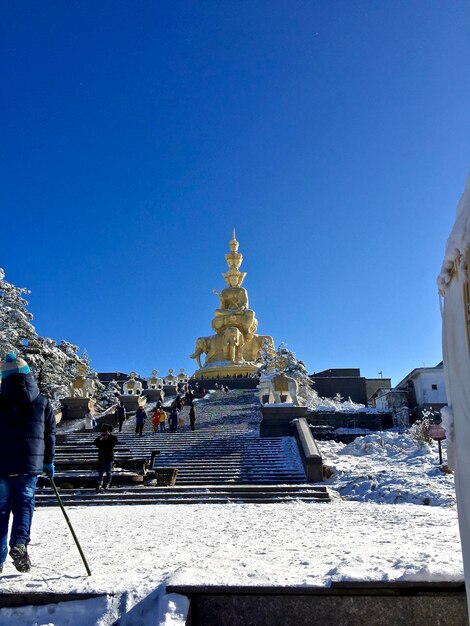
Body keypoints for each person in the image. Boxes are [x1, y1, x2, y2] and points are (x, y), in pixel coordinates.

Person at [0, 352, 56, 573]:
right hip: (29, 464)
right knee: (24, 504)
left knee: (1, 510)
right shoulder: (42, 402)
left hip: (2, 465)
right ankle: (20, 543)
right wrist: (48, 462)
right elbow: (50, 434)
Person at [93, 424, 118, 490]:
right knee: (100, 472)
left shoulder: (112, 438)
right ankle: (99, 484)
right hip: (101, 457)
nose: (104, 434)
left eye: (105, 433)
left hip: (109, 458)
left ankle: (107, 483)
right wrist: (100, 438)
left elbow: (115, 441)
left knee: (108, 472)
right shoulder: (101, 439)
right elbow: (95, 443)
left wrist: (109, 436)